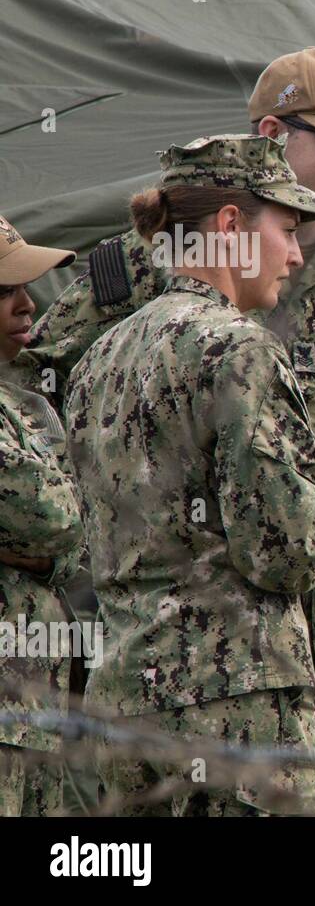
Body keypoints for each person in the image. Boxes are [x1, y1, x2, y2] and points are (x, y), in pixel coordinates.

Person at [23, 48, 315, 815]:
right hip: (224, 657)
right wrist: (55, 525)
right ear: (271, 133)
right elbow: (37, 385)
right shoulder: (154, 267)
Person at [63, 134, 315, 816]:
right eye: (286, 229)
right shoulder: (239, 349)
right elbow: (282, 551)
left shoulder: (97, 359)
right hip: (238, 712)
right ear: (230, 227)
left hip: (126, 706)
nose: (295, 253)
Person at [0, 216, 82, 816]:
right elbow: (55, 519)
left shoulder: (20, 404)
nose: (28, 304)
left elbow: (76, 540)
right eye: (6, 291)